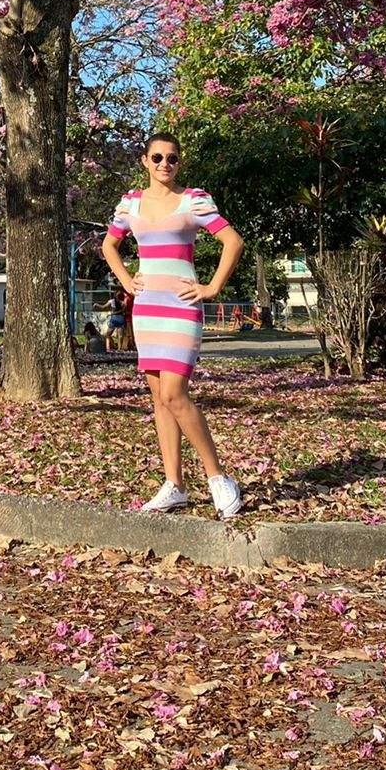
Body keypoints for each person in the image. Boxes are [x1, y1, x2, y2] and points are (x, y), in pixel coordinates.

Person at [101, 131, 246, 518]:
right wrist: (127, 280)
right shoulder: (130, 204)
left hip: (182, 306)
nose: (165, 164)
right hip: (147, 309)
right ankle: (174, 485)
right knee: (159, 399)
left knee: (175, 394)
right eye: (158, 157)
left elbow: (233, 241)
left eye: (172, 158)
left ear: (179, 163)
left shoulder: (193, 201)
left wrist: (212, 287)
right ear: (145, 161)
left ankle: (218, 478)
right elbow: (108, 245)